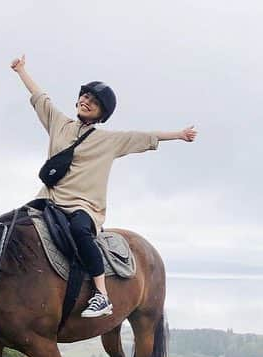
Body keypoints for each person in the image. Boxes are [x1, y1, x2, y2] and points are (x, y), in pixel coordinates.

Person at [11, 54, 197, 318]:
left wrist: (178, 135)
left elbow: (144, 137)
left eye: (95, 102)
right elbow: (40, 97)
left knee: (79, 231)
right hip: (48, 200)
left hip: (84, 207)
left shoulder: (109, 141)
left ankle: (102, 295)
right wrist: (21, 71)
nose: (87, 102)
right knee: (15, 226)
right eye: (85, 96)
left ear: (101, 113)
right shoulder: (58, 123)